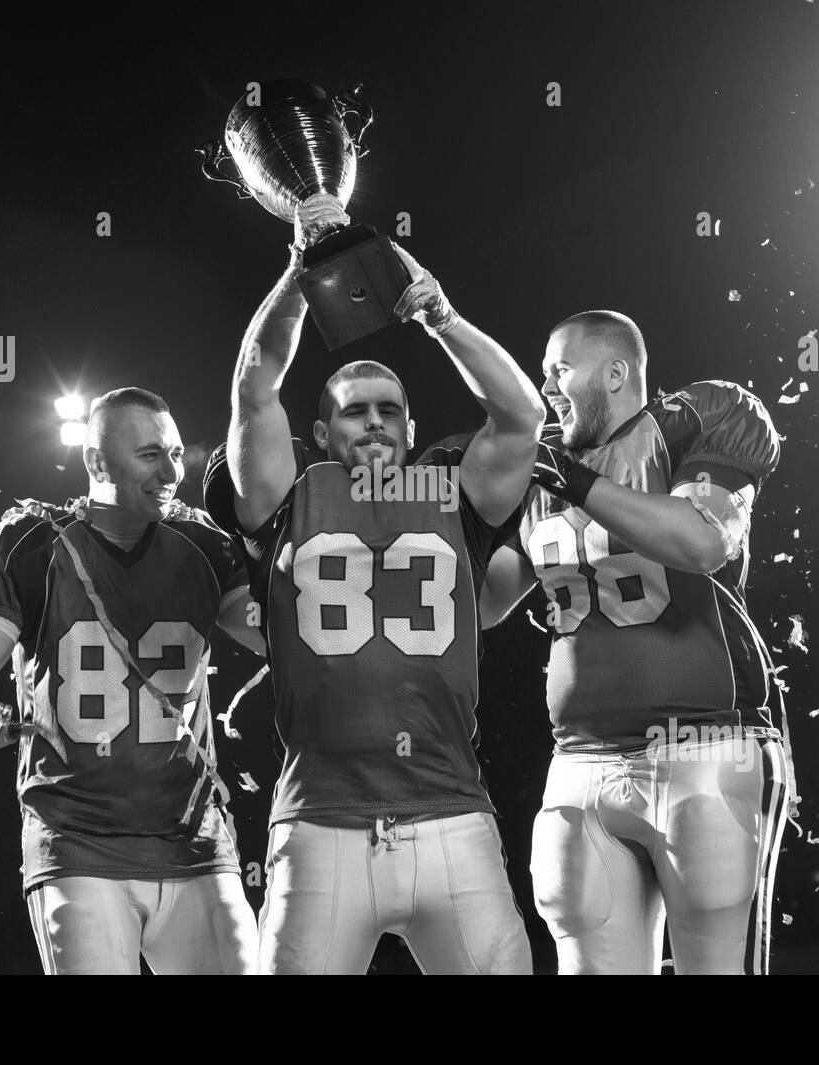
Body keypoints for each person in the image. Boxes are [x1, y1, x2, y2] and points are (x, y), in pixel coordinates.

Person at [203, 195, 543, 974]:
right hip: (321, 824)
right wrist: (299, 271)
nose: (377, 422)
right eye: (356, 412)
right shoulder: (291, 496)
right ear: (320, 434)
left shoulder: (452, 489)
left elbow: (521, 416)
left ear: (414, 427)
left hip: (452, 813)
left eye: (391, 409)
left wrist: (443, 318)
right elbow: (256, 386)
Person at [480, 310, 796, 975]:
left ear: (615, 371)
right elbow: (482, 603)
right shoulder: (548, 469)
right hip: (581, 758)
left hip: (706, 744)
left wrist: (580, 484)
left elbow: (701, 541)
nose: (547, 389)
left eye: (559, 369)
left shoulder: (691, 425)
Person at [0, 387, 265, 974]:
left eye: (176, 454)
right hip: (78, 843)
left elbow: (294, 644)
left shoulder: (204, 547)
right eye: (150, 455)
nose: (172, 471)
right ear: (96, 462)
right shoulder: (30, 549)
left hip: (195, 842)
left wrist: (276, 541)